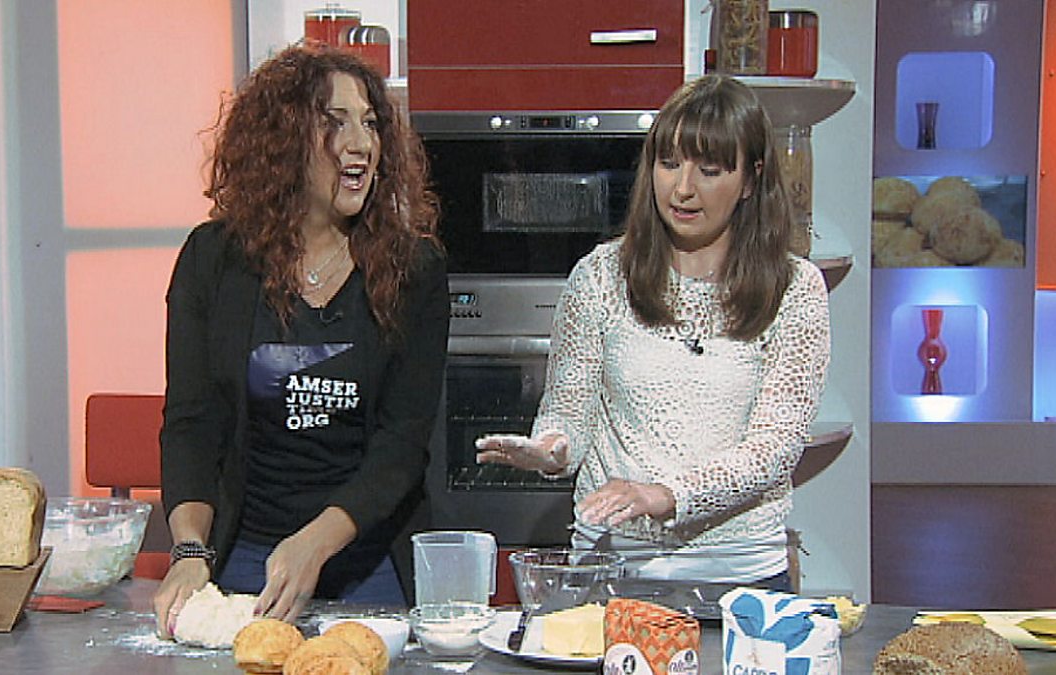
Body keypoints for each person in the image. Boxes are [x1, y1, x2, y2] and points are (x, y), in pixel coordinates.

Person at [476, 74, 830, 591]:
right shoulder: (600, 275)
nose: (682, 188)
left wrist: (666, 495)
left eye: (709, 170)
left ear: (751, 180)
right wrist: (550, 449)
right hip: (613, 566)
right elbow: (568, 412)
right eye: (669, 163)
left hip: (738, 575)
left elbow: (774, 446)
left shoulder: (795, 289)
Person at [153, 43, 447, 636]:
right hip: (245, 556)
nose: (360, 143)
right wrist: (189, 552)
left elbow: (402, 445)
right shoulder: (213, 261)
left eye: (370, 123)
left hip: (368, 562)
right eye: (334, 123)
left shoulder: (414, 269)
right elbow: (192, 423)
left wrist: (316, 542)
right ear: (283, 140)